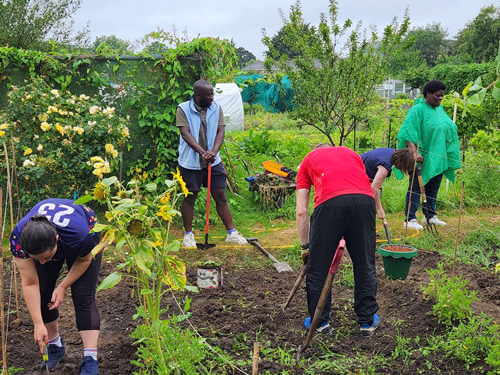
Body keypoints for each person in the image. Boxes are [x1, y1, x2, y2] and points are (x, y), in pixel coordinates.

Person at [296, 144, 380, 337]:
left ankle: (320, 322)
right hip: (364, 202)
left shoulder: (307, 162)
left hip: (330, 204)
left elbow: (302, 211)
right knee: (364, 262)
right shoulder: (352, 154)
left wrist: (306, 248)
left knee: (319, 267)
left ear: (315, 150)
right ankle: (367, 322)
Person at [10, 198, 102, 375]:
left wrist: (62, 287)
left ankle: (90, 358)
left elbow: (85, 260)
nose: (43, 263)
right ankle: (55, 346)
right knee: (43, 293)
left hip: (86, 228)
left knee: (83, 296)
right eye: (38, 259)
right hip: (51, 239)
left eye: (47, 256)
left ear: (57, 240)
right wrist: (38, 324)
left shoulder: (80, 235)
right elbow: (30, 283)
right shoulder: (18, 240)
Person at [176, 79, 247, 248]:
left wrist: (213, 152)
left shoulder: (216, 108)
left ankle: (231, 233)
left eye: (212, 94)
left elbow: (220, 131)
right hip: (190, 163)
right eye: (208, 95)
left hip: (214, 162)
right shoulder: (183, 109)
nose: (212, 98)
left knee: (220, 196)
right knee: (189, 197)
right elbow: (185, 134)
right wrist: (202, 152)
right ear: (197, 95)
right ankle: (188, 236)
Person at [397, 80, 461, 230]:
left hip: (438, 157)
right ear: (428, 94)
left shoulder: (439, 110)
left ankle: (430, 217)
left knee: (433, 188)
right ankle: (409, 219)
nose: (440, 99)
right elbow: (408, 132)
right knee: (416, 187)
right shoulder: (418, 110)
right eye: (437, 96)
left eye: (442, 96)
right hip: (421, 158)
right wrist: (414, 153)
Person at [361, 148, 415, 221]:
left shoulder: (391, 152)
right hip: (352, 174)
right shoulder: (385, 165)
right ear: (401, 162)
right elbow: (374, 188)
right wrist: (379, 208)